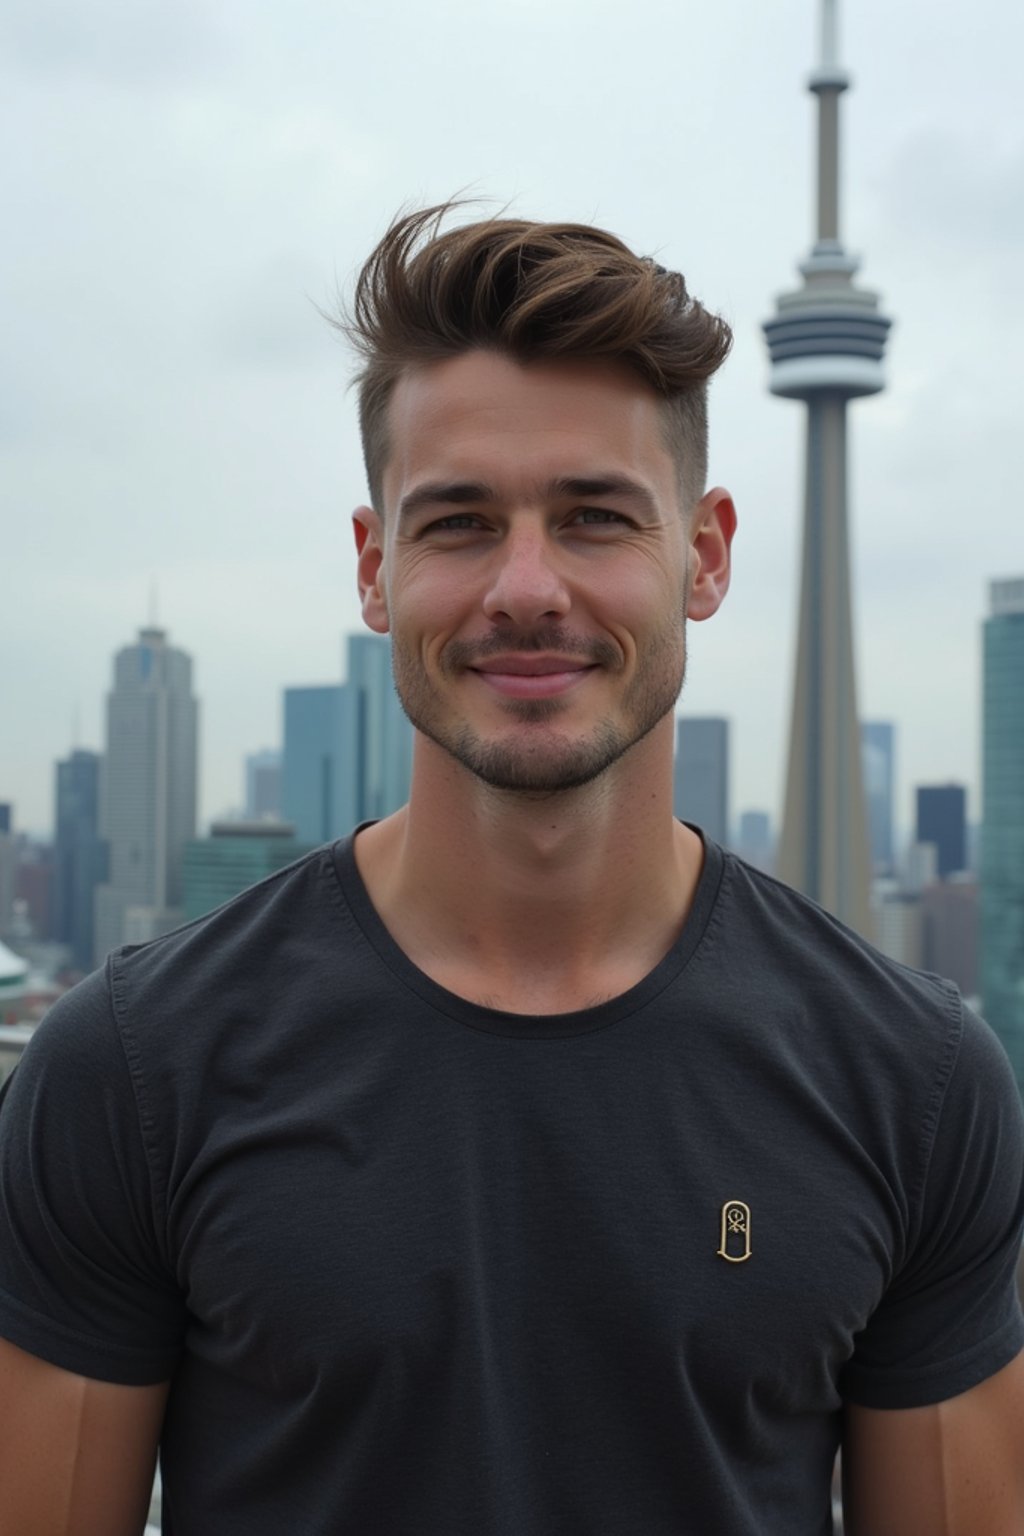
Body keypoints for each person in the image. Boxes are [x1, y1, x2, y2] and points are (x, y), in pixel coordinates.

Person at [1, 205, 1023, 1536]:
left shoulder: (916, 1086)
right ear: (375, 569)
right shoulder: (132, 1073)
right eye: (461, 524)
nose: (526, 587)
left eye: (596, 518)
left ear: (703, 555)